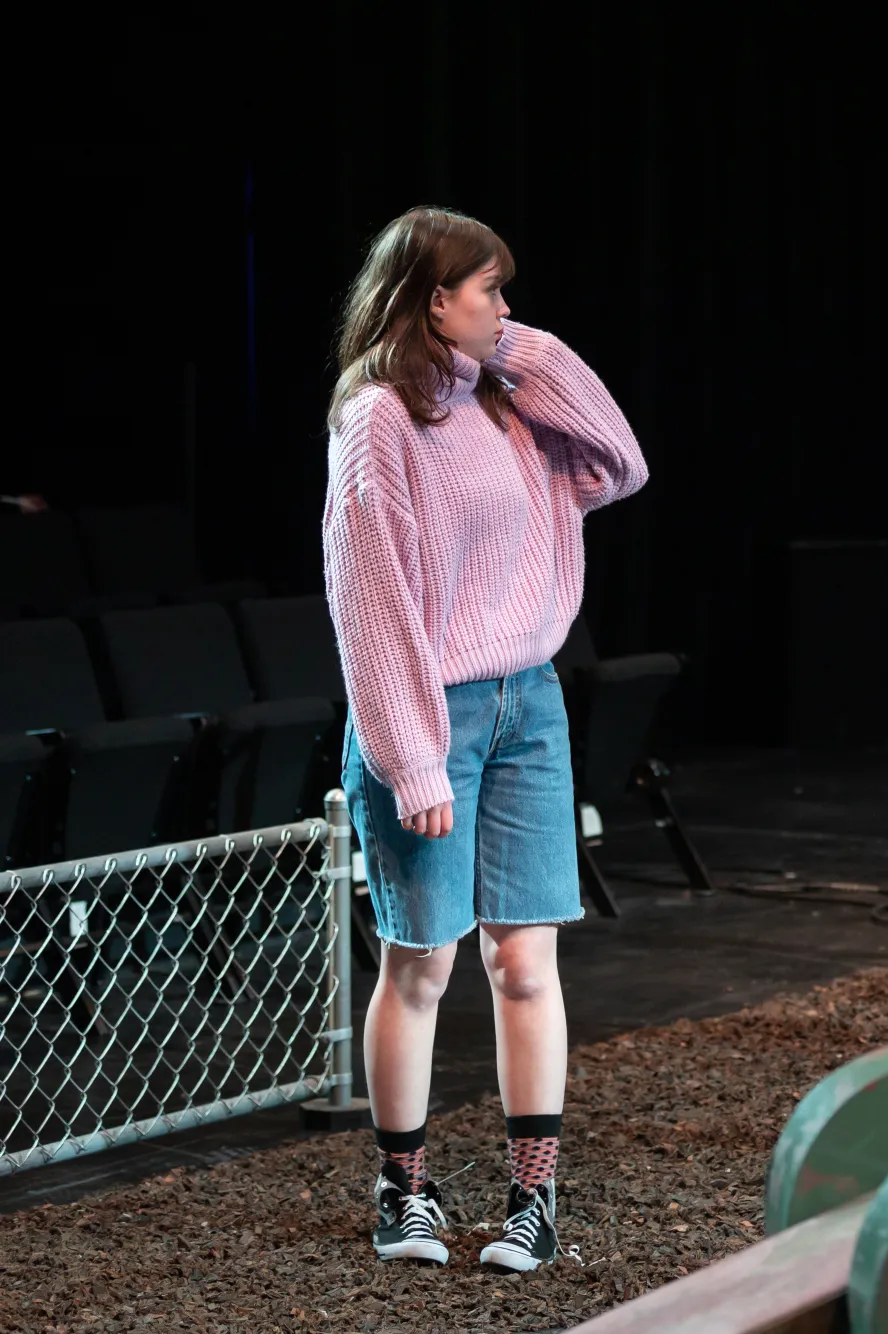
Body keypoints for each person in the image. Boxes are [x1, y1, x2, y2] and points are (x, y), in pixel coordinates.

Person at [324, 206, 648, 1269]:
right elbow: (370, 602)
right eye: (489, 292)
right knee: (423, 959)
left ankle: (530, 1202)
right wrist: (413, 756)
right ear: (432, 298)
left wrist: (514, 347)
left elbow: (618, 461)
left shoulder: (504, 398)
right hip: (431, 708)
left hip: (530, 704)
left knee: (525, 960)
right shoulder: (378, 417)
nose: (506, 310)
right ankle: (401, 1191)